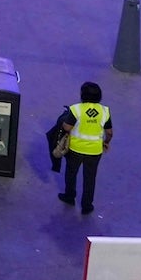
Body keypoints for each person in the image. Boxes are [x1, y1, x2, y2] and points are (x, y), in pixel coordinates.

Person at [56, 81, 113, 215]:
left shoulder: (76, 109)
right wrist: (106, 142)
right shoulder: (105, 111)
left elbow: (67, 127)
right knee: (90, 178)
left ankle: (69, 196)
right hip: (94, 151)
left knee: (71, 174)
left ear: (82, 95)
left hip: (75, 149)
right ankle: (87, 205)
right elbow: (109, 132)